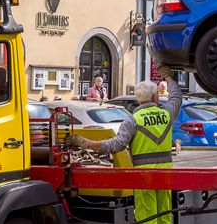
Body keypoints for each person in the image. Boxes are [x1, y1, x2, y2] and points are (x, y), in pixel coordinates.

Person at [65, 66, 182, 224]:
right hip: (165, 174)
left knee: (148, 216)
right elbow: (176, 97)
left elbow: (115, 145)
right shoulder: (167, 112)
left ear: (138, 99)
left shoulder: (133, 119)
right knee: (165, 214)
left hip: (143, 176)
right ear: (155, 96)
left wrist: (85, 143)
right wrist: (168, 77)